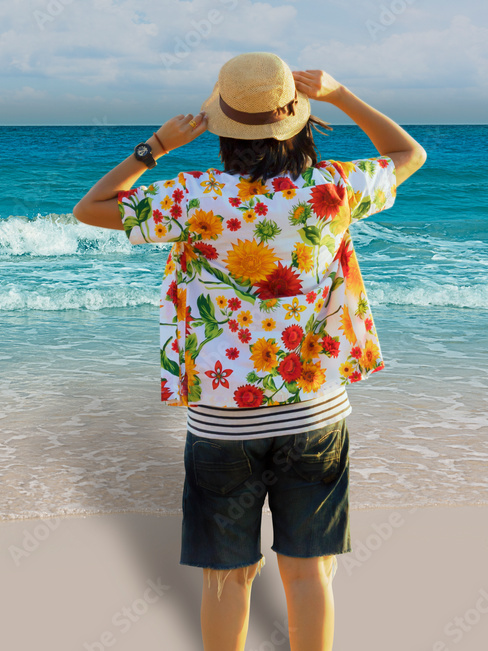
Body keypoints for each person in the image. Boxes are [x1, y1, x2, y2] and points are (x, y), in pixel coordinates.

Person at [73, 52, 426, 651]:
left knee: (227, 576)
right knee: (309, 571)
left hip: (220, 421)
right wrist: (342, 95)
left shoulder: (195, 196)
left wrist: (154, 147)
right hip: (315, 411)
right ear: (297, 122)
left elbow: (91, 208)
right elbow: (408, 154)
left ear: (224, 130)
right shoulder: (331, 188)